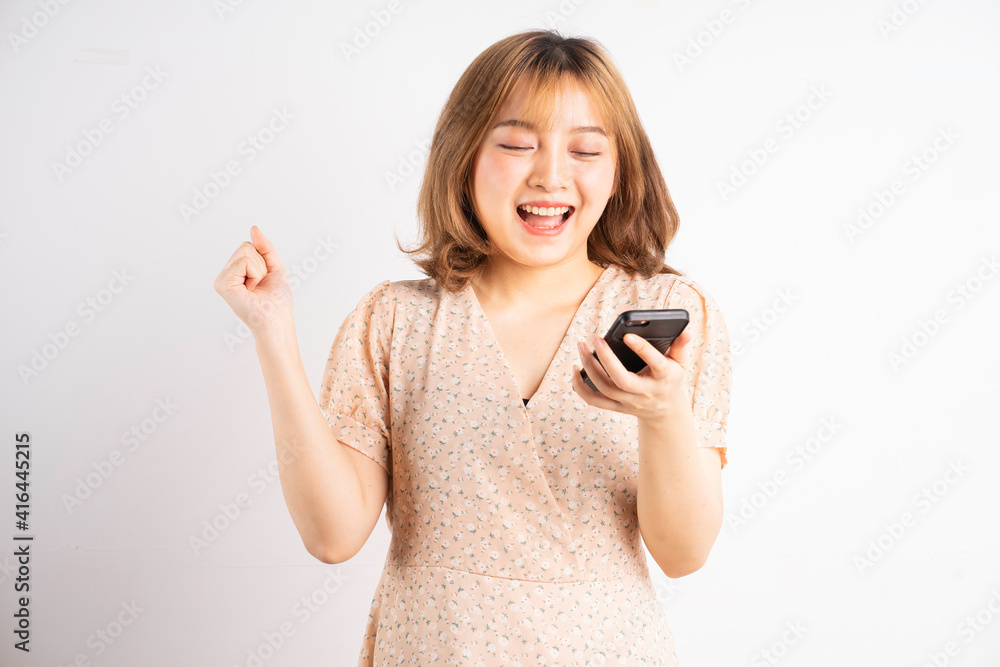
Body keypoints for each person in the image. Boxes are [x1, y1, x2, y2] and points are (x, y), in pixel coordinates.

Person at [215, 29, 732, 667]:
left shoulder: (665, 316)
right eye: (517, 144)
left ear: (621, 168)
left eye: (586, 151)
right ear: (464, 155)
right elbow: (332, 534)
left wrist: (662, 415)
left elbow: (684, 554)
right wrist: (273, 332)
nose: (551, 175)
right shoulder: (395, 321)